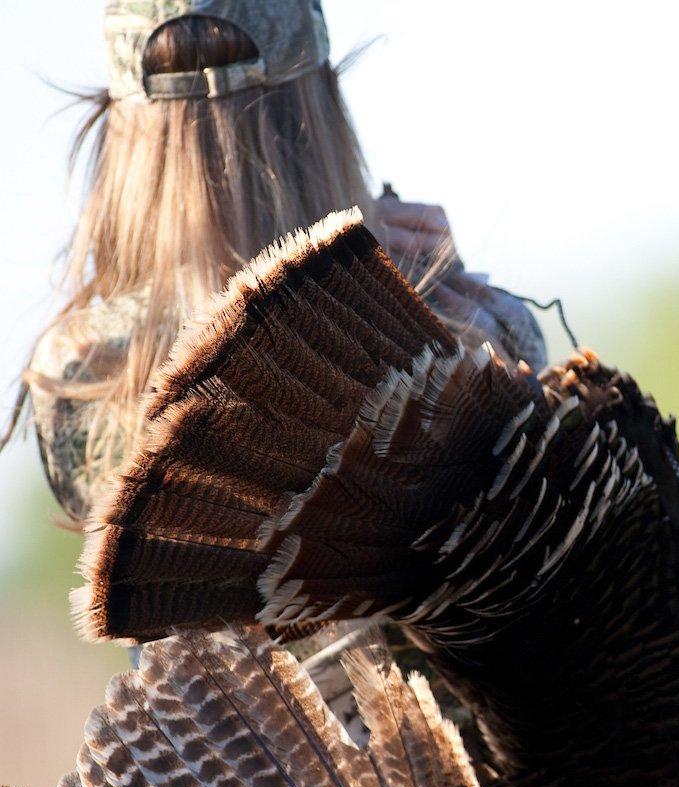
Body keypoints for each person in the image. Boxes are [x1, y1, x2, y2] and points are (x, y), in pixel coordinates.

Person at [9, 0, 544, 526]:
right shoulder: (480, 332)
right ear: (323, 105)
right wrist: (441, 308)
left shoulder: (83, 375)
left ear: (124, 135)